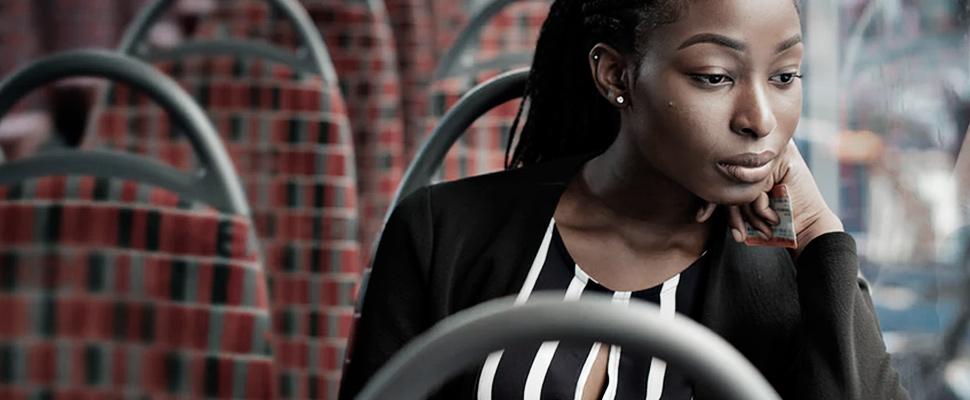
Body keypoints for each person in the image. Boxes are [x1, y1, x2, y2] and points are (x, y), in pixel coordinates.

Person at [339, 0, 910, 398]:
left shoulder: (785, 279)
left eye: (785, 76)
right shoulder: (442, 235)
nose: (761, 119)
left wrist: (816, 234)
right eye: (714, 76)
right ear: (616, 74)